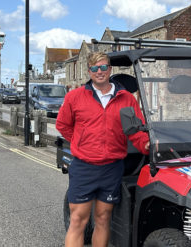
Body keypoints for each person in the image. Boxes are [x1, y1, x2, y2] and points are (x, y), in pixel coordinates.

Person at [56, 51, 149, 247]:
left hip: (112, 168)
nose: (100, 71)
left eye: (103, 67)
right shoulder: (75, 97)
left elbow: (136, 131)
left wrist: (147, 144)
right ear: (89, 71)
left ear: (110, 69)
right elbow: (63, 125)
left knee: (103, 219)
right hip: (84, 168)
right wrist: (81, 143)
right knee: (78, 220)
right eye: (95, 68)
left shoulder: (126, 99)